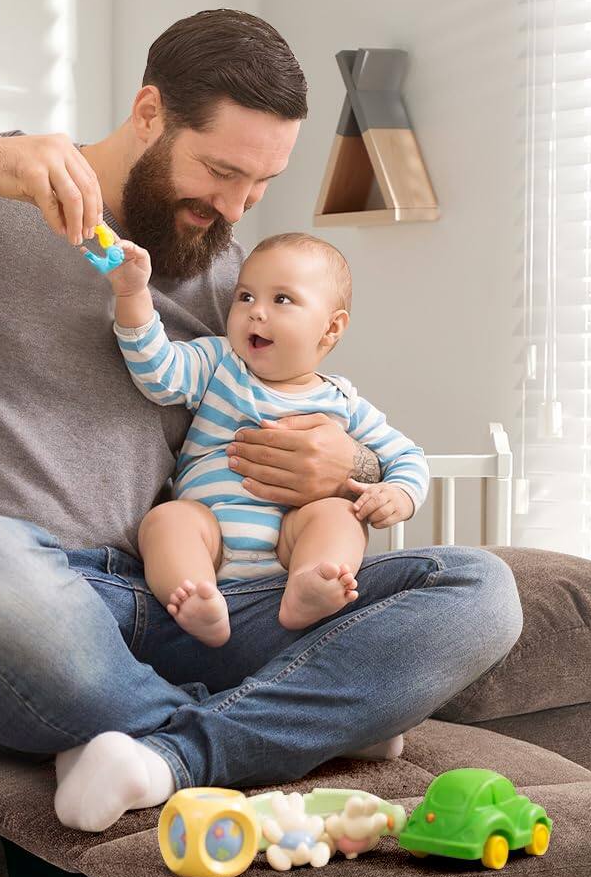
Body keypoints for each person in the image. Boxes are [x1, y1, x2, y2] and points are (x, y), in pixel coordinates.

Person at [0, 9, 523, 832]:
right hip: (4, 601)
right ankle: (285, 728)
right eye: (220, 171)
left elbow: (320, 410)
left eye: (260, 185)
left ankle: (168, 754)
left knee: (479, 590)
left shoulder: (231, 280)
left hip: (176, 600)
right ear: (149, 113)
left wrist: (353, 466)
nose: (234, 207)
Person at [106, 229, 429, 646]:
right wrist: (133, 294)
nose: (256, 312)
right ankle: (194, 595)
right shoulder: (220, 361)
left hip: (289, 545)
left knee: (339, 516)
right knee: (166, 520)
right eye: (245, 297)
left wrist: (400, 494)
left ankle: (310, 584)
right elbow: (158, 371)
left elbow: (407, 455)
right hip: (209, 537)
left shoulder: (342, 403)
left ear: (331, 328)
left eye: (282, 299)